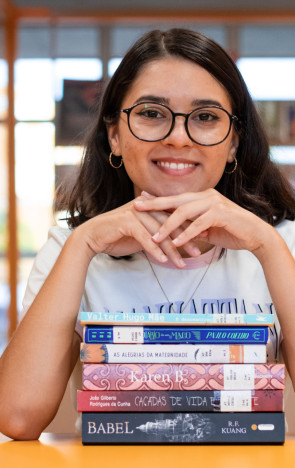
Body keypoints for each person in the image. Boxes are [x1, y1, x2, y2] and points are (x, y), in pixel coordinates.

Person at [1, 28, 295, 440]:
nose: (178, 137)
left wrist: (267, 245)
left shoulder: (282, 242)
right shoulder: (71, 248)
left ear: (234, 143)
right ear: (115, 136)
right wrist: (83, 244)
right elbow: (17, 417)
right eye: (152, 113)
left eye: (206, 117)